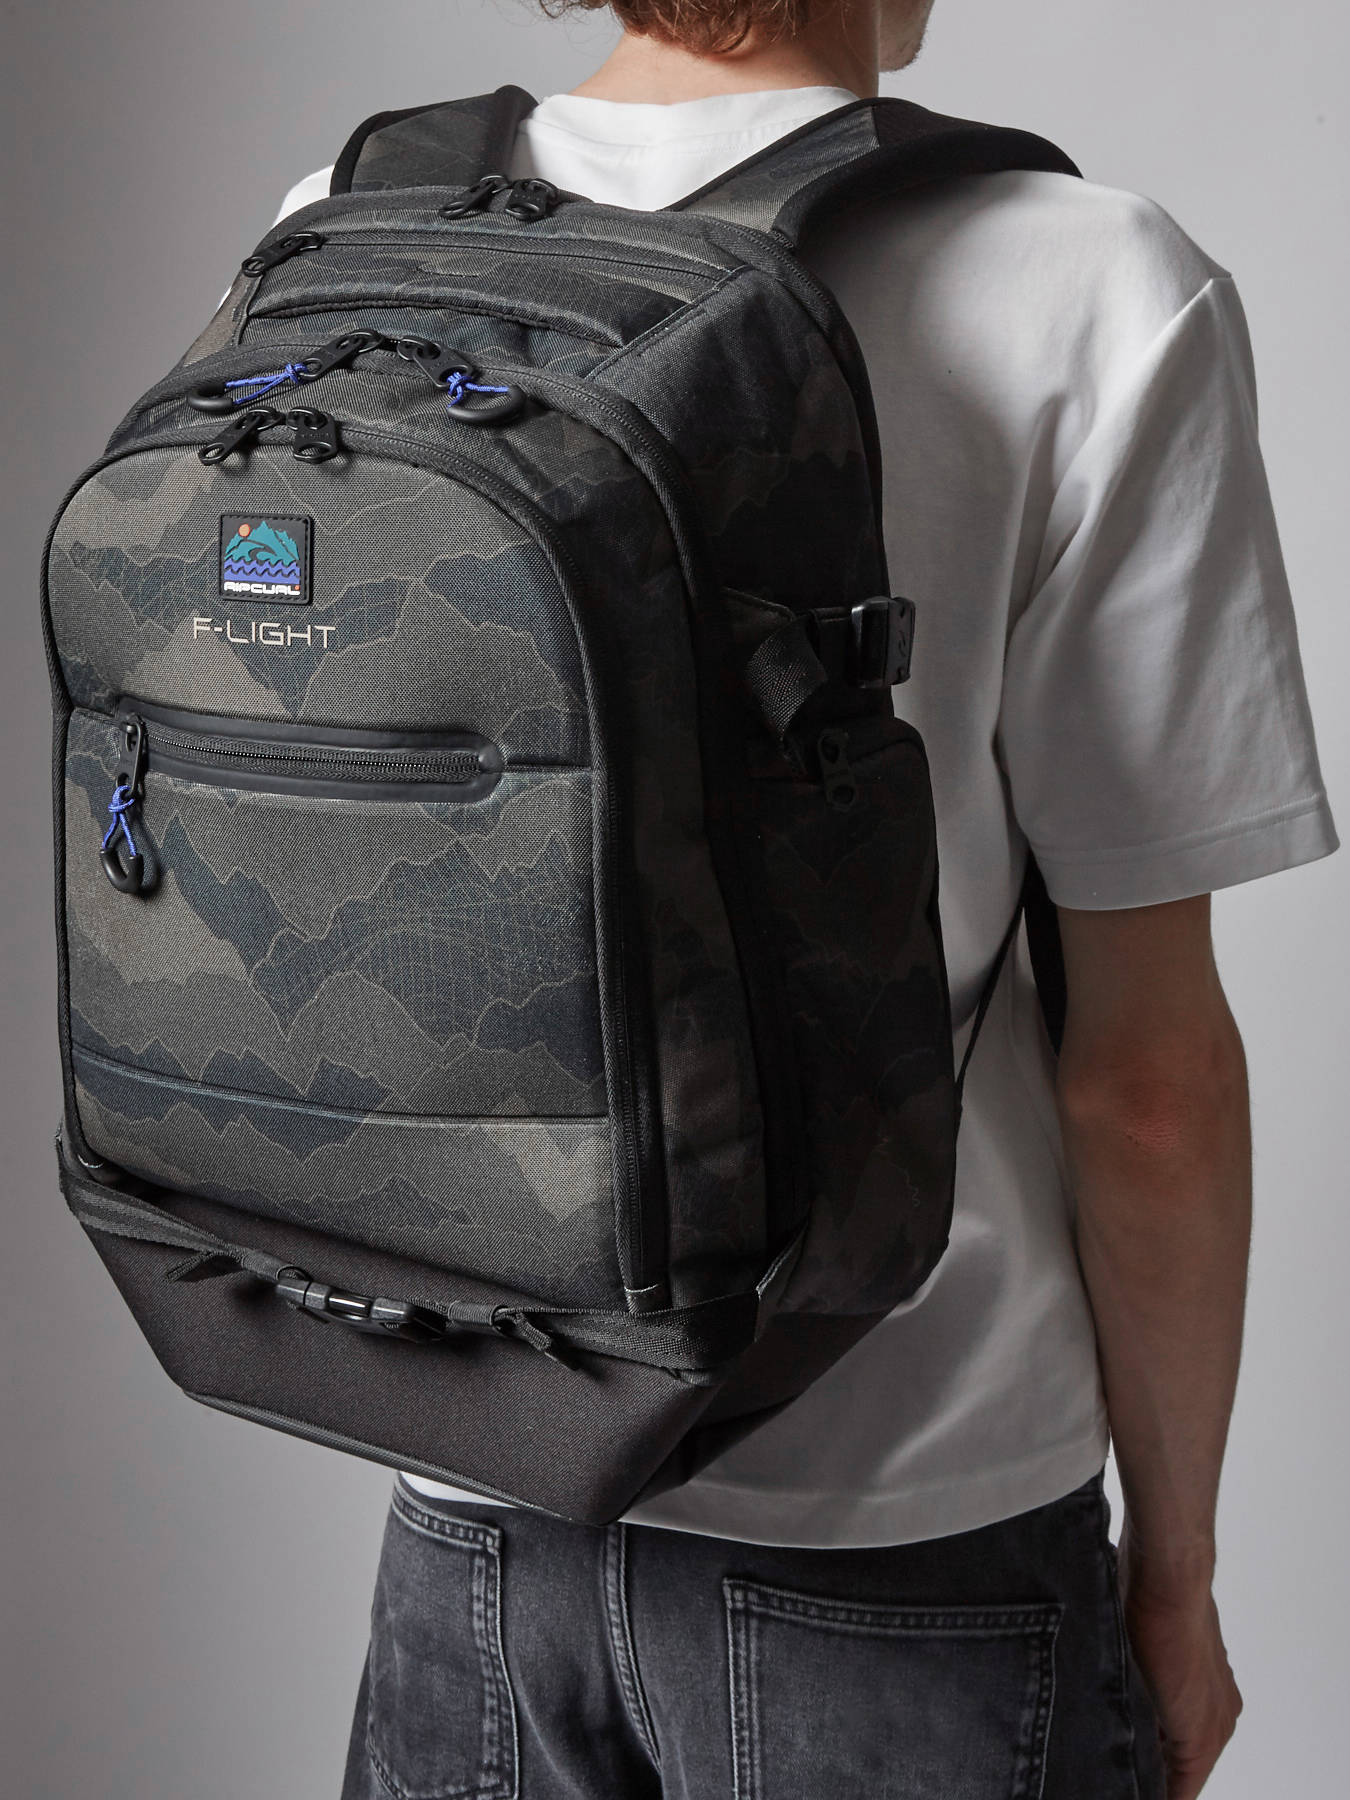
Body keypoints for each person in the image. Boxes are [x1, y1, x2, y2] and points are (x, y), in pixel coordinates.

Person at [266, 3, 1337, 1795]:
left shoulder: (342, 226)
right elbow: (1145, 1082)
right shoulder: (1082, 278)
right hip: (906, 1515)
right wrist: (1176, 1576)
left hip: (467, 1471)